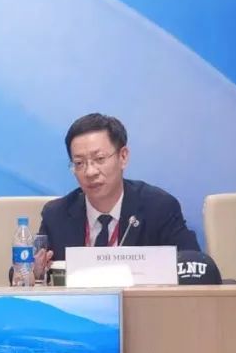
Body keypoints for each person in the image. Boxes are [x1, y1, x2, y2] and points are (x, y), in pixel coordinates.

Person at [35, 113, 200, 277]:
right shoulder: (56, 216)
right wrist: (34, 273)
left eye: (99, 159)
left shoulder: (159, 208)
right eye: (79, 163)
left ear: (123, 157)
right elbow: (30, 269)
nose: (90, 172)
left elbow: (194, 267)